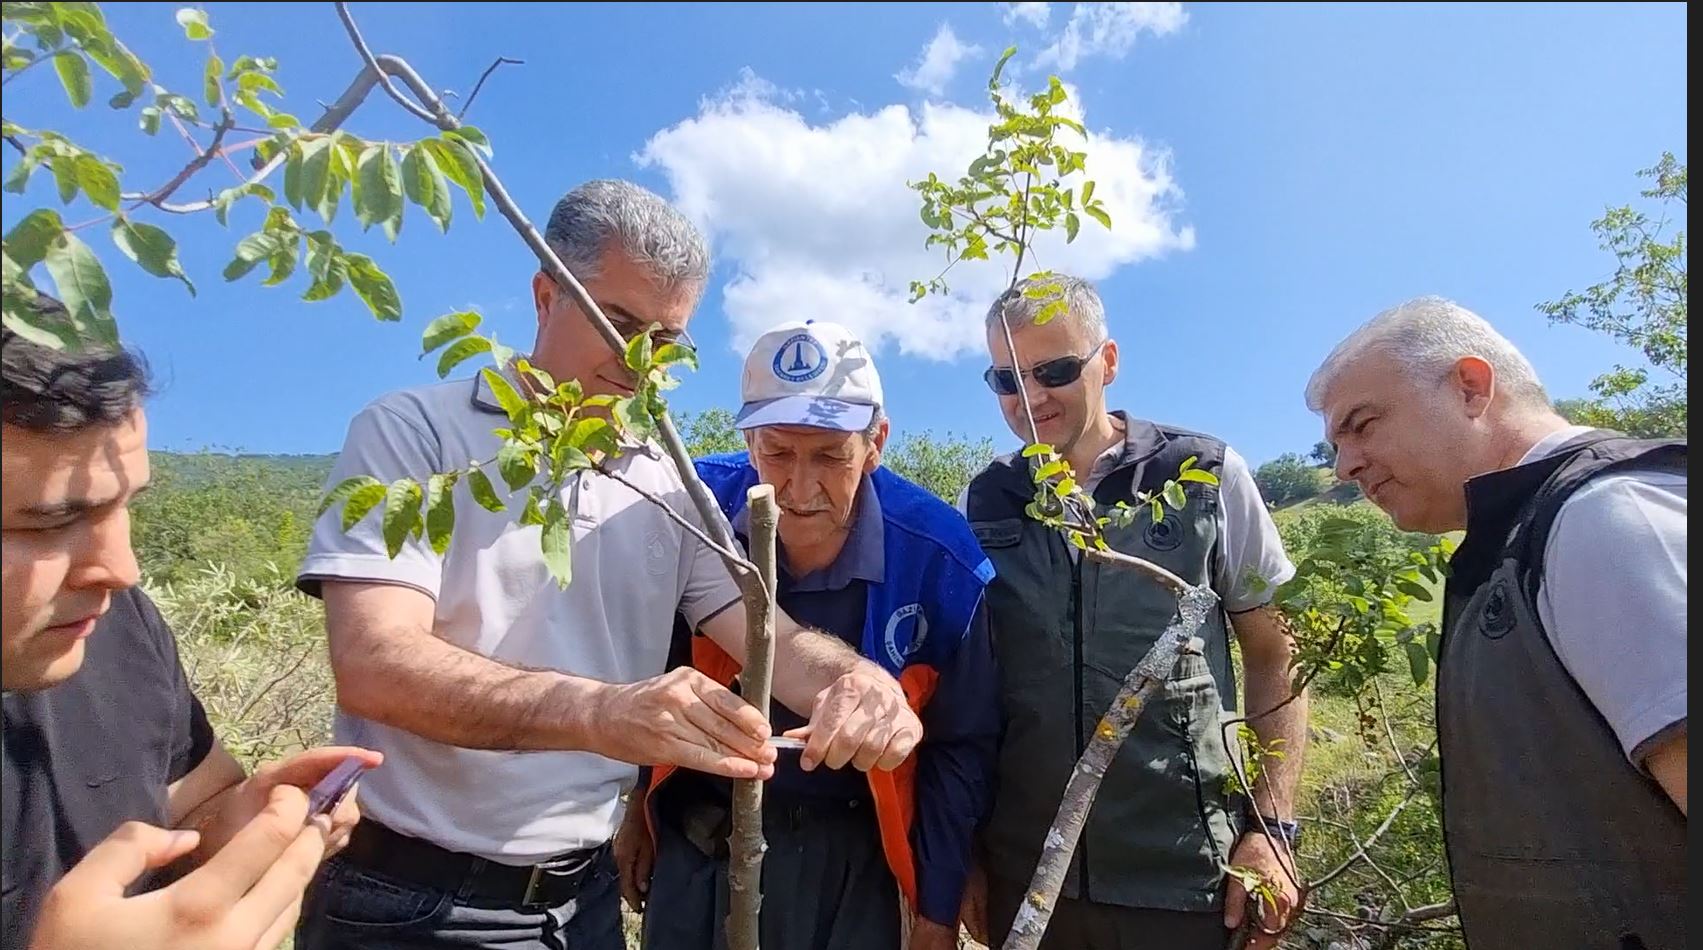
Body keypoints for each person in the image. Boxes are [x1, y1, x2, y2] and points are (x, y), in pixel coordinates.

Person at [293, 181, 925, 950]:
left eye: (665, 342)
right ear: (544, 295)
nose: (639, 363)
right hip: (414, 900)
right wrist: (602, 713)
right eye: (617, 324)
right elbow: (375, 663)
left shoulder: (661, 478)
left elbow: (772, 640)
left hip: (580, 905)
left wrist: (854, 683)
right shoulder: (415, 435)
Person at [1304, 295, 1685, 950]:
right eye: (1335, 444)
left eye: (1362, 424)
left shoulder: (1606, 519)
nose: (1344, 467)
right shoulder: (1523, 540)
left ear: (1470, 388)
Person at [1, 303, 377, 950]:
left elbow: (189, 804)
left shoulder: (117, 627)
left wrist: (243, 827)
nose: (121, 569)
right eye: (50, 523)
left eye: (125, 508)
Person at [615, 319, 1000, 950]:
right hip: (699, 843)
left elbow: (964, 744)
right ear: (747, 439)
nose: (798, 488)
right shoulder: (695, 507)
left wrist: (935, 906)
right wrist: (637, 806)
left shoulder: (939, 557)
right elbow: (650, 661)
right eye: (776, 453)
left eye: (829, 456)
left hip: (856, 858)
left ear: (875, 443)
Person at [959, 276, 1307, 950]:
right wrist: (964, 853)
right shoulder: (987, 498)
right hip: (1027, 881)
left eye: (1054, 370)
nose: (1029, 398)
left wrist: (1270, 829)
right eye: (1004, 379)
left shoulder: (1201, 472)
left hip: (1185, 877)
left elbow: (1275, 653)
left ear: (1108, 362)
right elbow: (969, 691)